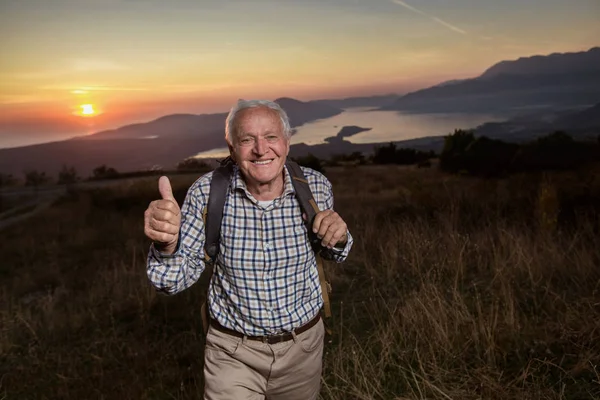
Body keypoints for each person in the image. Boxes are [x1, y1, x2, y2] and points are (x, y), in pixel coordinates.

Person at [143, 99, 353, 400]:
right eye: (246, 140)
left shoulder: (315, 186)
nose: (260, 149)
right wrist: (166, 245)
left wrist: (341, 236)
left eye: (271, 137)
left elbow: (336, 251)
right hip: (232, 353)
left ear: (287, 142)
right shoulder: (207, 192)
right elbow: (170, 282)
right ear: (231, 148)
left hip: (304, 349)